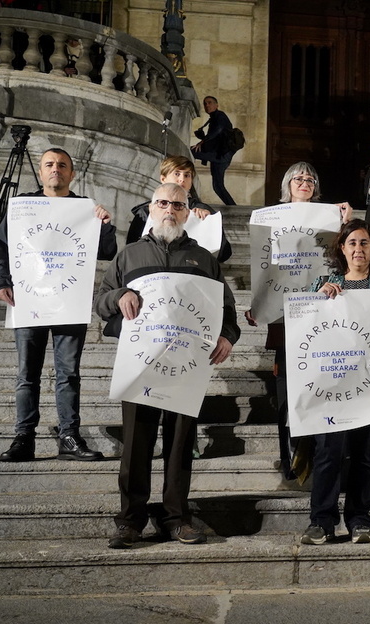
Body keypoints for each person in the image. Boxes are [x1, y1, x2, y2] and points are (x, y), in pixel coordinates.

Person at [95, 182, 241, 549]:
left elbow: (226, 308)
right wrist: (119, 295)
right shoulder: (129, 255)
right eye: (163, 203)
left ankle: (177, 518)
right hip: (140, 365)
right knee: (135, 446)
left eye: (177, 205)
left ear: (188, 212)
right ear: (152, 208)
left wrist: (227, 336)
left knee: (180, 445)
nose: (169, 210)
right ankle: (130, 521)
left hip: (185, 368)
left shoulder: (204, 259)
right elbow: (101, 301)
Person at [0, 147, 117, 462]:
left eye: (62, 165)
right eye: (49, 164)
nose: (55, 169)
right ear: (41, 171)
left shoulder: (84, 209)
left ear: (71, 174)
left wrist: (103, 224)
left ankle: (69, 437)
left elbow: (106, 251)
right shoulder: (23, 207)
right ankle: (24, 439)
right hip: (28, 298)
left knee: (68, 373)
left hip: (68, 300)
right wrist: (1, 280)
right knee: (27, 374)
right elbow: (3, 245)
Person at [301, 219, 370, 545]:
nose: (358, 249)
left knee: (364, 455)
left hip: (369, 388)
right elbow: (301, 326)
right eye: (352, 243)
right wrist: (316, 298)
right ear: (342, 249)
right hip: (330, 387)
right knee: (328, 453)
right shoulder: (323, 284)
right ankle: (322, 521)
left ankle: (360, 520)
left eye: (365, 243)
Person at [245, 162, 352, 481]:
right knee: (288, 392)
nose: (304, 182)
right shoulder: (270, 218)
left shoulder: (330, 217)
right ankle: (291, 457)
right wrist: (258, 303)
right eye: (298, 178)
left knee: (318, 388)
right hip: (283, 317)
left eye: (310, 179)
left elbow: (346, 256)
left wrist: (345, 222)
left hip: (319, 315)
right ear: (287, 185)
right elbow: (264, 267)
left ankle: (317, 455)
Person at [127, 155, 232, 262]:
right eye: (177, 174)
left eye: (187, 175)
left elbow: (224, 253)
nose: (182, 179)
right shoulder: (145, 212)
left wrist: (209, 223)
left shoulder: (203, 210)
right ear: (163, 179)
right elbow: (131, 251)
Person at [191, 95, 236, 206]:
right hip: (219, 155)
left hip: (221, 155)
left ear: (216, 105)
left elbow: (219, 130)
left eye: (210, 102)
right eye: (205, 103)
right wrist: (202, 137)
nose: (207, 105)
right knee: (218, 186)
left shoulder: (220, 116)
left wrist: (202, 141)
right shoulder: (213, 118)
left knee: (191, 152)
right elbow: (216, 138)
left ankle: (187, 182)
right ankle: (232, 206)